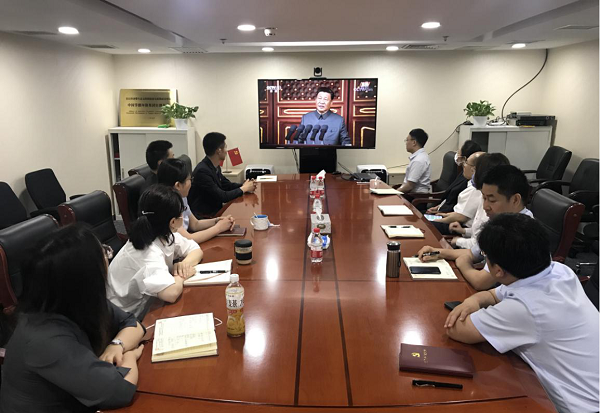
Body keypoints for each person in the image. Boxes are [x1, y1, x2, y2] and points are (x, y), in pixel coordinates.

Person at [445, 213, 599, 413]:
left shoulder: (525, 308)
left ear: (498, 271)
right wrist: (474, 300)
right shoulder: (559, 271)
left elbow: (456, 329)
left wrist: (471, 303)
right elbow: (494, 294)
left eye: (485, 256)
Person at [1, 225, 146, 412]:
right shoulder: (44, 339)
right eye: (104, 253)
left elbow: (133, 324)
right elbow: (119, 390)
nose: (107, 258)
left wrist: (117, 345)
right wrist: (130, 356)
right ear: (85, 276)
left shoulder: (79, 302)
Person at [417, 164, 532, 290]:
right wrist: (437, 252)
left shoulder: (518, 233)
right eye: (484, 198)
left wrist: (463, 263)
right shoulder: (503, 221)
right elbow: (473, 253)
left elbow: (481, 282)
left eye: (492, 200)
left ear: (515, 200)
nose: (485, 206)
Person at [107, 185, 203, 319]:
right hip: (125, 318)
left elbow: (195, 249)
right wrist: (181, 275)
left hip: (148, 305)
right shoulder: (147, 251)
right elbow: (171, 293)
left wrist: (184, 264)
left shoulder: (163, 234)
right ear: (173, 222)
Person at [157, 158, 236, 243]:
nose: (191, 183)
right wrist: (219, 228)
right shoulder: (167, 205)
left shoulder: (182, 197)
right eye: (189, 180)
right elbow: (188, 239)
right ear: (178, 185)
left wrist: (217, 221)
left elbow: (195, 224)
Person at [446, 153, 510, 247]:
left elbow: (478, 247)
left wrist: (458, 241)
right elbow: (478, 232)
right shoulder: (484, 194)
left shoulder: (497, 205)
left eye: (476, 171)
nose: (485, 206)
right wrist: (464, 231)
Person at [188, 132, 256, 217]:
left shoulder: (214, 166)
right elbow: (223, 196)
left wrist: (245, 185)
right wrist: (243, 188)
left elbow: (227, 185)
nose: (226, 151)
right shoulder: (202, 171)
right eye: (225, 147)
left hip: (216, 211)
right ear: (219, 150)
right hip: (206, 216)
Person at [430, 150, 485, 235]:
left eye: (466, 163)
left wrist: (438, 220)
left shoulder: (475, 189)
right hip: (454, 221)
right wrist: (443, 215)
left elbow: (461, 217)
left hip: (459, 226)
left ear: (474, 169)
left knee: (425, 225)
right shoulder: (470, 183)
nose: (464, 165)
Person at [426, 140, 482, 215]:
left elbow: (456, 207)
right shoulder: (464, 173)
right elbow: (449, 198)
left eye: (458, 153)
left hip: (447, 215)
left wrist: (439, 213)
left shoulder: (470, 183)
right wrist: (438, 207)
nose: (457, 155)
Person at [396, 128, 431, 194]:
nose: (406, 143)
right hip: (411, 194)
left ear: (414, 142)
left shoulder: (419, 160)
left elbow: (409, 186)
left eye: (407, 140)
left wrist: (394, 193)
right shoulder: (421, 156)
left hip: (415, 197)